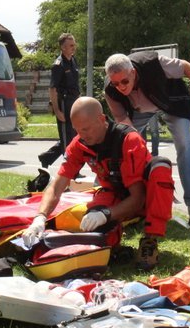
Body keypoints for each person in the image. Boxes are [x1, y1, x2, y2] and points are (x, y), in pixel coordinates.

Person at [22, 97, 174, 270]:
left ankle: (150, 239)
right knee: (93, 227)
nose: (82, 135)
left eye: (86, 129)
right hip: (115, 193)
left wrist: (106, 214)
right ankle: (112, 243)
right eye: (77, 130)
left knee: (161, 167)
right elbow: (57, 186)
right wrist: (40, 217)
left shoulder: (128, 140)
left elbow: (137, 199)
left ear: (102, 119)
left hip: (146, 197)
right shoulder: (79, 144)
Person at [103, 52, 190, 220]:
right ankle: (116, 197)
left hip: (171, 102)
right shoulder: (110, 90)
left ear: (133, 73)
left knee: (184, 143)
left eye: (125, 81)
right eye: (116, 83)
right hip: (139, 111)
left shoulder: (153, 63)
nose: (121, 87)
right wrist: (142, 153)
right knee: (122, 144)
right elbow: (122, 119)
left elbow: (187, 67)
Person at [38, 33, 80, 169]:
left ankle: (47, 157)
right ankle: (71, 170)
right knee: (67, 138)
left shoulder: (73, 60)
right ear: (63, 47)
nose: (74, 47)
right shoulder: (58, 65)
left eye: (74, 44)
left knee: (73, 135)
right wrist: (57, 110)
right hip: (64, 103)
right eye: (71, 45)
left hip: (74, 102)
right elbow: (52, 89)